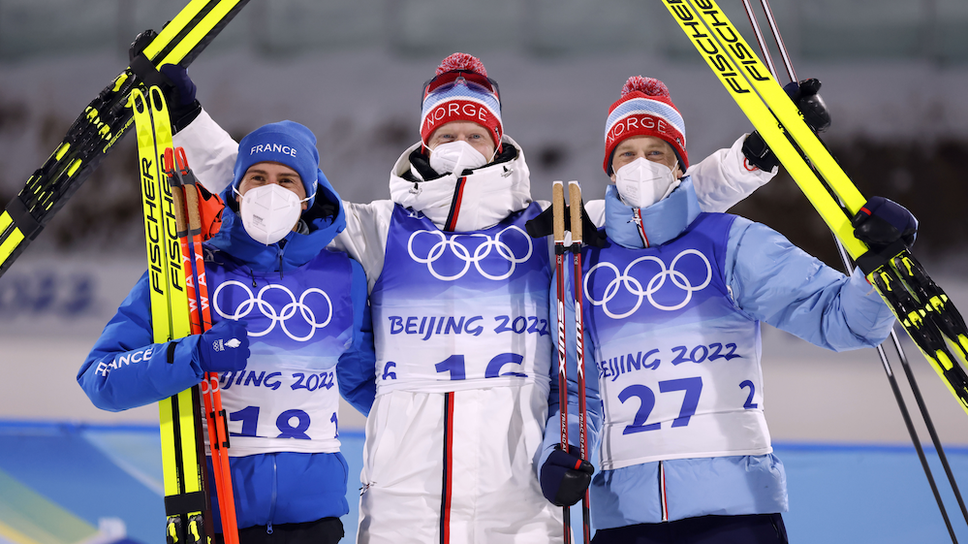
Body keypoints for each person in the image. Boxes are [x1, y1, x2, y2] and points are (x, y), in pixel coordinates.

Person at [166, 53, 804, 543]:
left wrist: (749, 160)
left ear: (497, 142)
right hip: (401, 508)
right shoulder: (380, 230)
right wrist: (192, 123)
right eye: (446, 135)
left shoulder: (548, 230)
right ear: (424, 141)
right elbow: (280, 199)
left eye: (474, 134)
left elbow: (659, 208)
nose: (459, 147)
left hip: (520, 505)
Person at [537, 76, 914, 543]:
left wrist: (880, 269)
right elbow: (578, 391)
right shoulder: (580, 265)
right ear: (610, 172)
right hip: (624, 518)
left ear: (680, 167)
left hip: (735, 512)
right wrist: (559, 452)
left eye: (656, 153)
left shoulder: (729, 242)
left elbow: (841, 319)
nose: (641, 165)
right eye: (626, 154)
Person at [78, 121, 375, 544]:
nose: (270, 191)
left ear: (308, 196)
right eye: (257, 177)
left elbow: (366, 382)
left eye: (286, 180)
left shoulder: (343, 275)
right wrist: (194, 355)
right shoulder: (184, 272)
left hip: (316, 522)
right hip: (213, 519)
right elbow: (99, 377)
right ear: (235, 189)